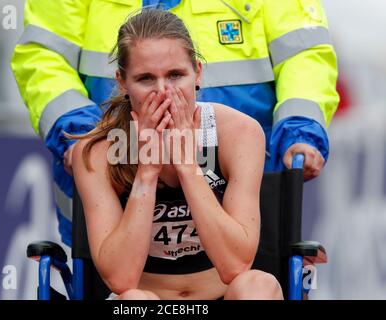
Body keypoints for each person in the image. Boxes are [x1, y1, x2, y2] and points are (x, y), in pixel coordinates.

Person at [11, 0, 339, 247]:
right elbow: (43, 55)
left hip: (247, 188)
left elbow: (303, 53)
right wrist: (82, 137)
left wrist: (300, 131)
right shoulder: (98, 155)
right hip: (116, 178)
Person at [70, 9, 283, 300]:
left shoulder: (238, 133)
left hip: (220, 292)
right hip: (148, 298)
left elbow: (236, 266)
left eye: (175, 75)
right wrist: (146, 173)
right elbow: (121, 279)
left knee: (258, 286)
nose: (164, 92)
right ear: (122, 82)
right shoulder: (100, 151)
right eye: (145, 79)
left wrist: (188, 167)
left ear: (198, 72)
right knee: (132, 300)